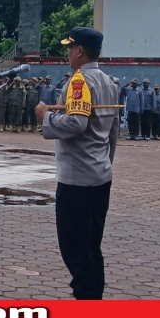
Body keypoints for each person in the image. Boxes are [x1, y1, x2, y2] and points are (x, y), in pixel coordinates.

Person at [36, 27, 118, 300]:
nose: (67, 53)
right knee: (92, 245)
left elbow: (76, 122)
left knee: (75, 247)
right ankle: (94, 299)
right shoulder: (108, 81)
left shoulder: (79, 82)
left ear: (80, 51)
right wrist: (106, 163)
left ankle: (86, 304)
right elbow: (113, 130)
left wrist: (45, 117)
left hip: (78, 180)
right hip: (99, 175)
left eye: (70, 48)